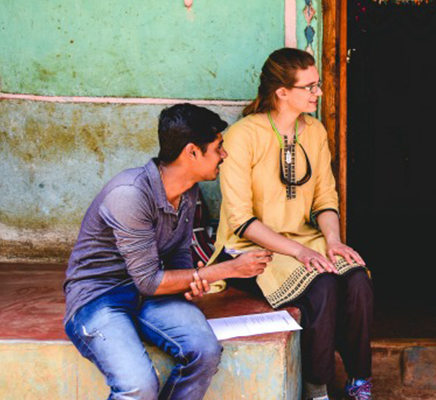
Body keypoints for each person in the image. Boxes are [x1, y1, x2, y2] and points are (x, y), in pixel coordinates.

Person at [63, 103, 272, 400]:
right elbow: (149, 280)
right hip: (99, 297)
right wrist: (228, 269)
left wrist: (190, 285)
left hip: (150, 295)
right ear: (191, 152)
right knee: (138, 386)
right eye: (218, 148)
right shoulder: (130, 194)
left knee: (205, 351)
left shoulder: (188, 192)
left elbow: (177, 258)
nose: (224, 155)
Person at [210, 48, 373, 400]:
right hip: (252, 246)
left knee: (357, 279)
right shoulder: (242, 136)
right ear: (282, 92)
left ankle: (360, 380)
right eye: (310, 87)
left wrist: (332, 241)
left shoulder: (314, 131)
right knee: (324, 286)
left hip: (306, 240)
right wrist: (299, 252)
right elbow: (241, 221)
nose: (318, 93)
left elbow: (325, 199)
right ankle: (317, 388)